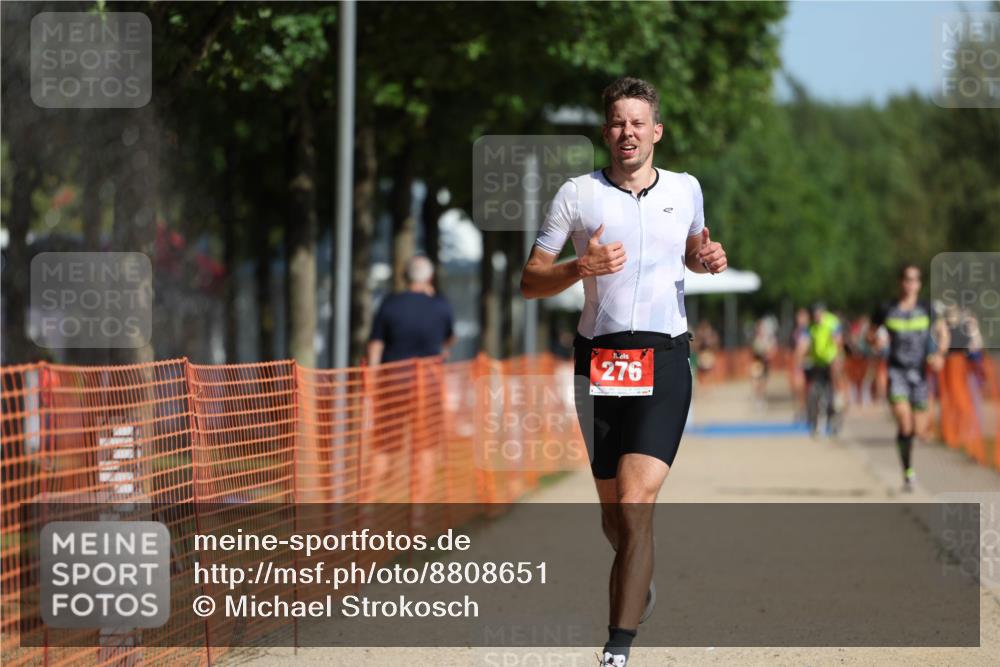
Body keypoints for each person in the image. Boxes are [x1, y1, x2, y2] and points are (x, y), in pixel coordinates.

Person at [520, 77, 727, 667]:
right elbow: (530, 280)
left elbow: (690, 250)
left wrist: (707, 258)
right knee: (614, 517)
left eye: (638, 122)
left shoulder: (686, 189)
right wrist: (578, 266)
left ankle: (617, 647)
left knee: (636, 503)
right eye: (616, 122)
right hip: (600, 361)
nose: (627, 132)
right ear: (605, 131)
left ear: (656, 131)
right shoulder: (576, 195)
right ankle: (638, 582)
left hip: (664, 358)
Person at [366, 256, 454, 505]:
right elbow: (448, 340)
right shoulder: (440, 306)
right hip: (428, 384)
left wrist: (372, 383)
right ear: (429, 278)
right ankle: (417, 512)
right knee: (425, 449)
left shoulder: (390, 304)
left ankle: (366, 508)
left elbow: (375, 346)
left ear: (405, 277)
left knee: (383, 447)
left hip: (392, 382)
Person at [869, 264, 947, 492]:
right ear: (900, 282)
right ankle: (908, 472)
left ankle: (910, 446)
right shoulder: (886, 308)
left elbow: (943, 333)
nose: (910, 284)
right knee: (904, 421)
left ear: (919, 284)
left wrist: (940, 354)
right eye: (906, 279)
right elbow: (871, 333)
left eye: (914, 280)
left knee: (919, 430)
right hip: (897, 371)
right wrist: (875, 342)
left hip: (920, 374)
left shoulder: (927, 308)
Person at [805, 302, 843, 438]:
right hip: (818, 363)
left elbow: (838, 341)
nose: (816, 317)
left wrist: (837, 358)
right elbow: (809, 344)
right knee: (816, 393)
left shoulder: (832, 322)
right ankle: (816, 424)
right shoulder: (812, 327)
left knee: (833, 393)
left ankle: (835, 420)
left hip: (831, 361)